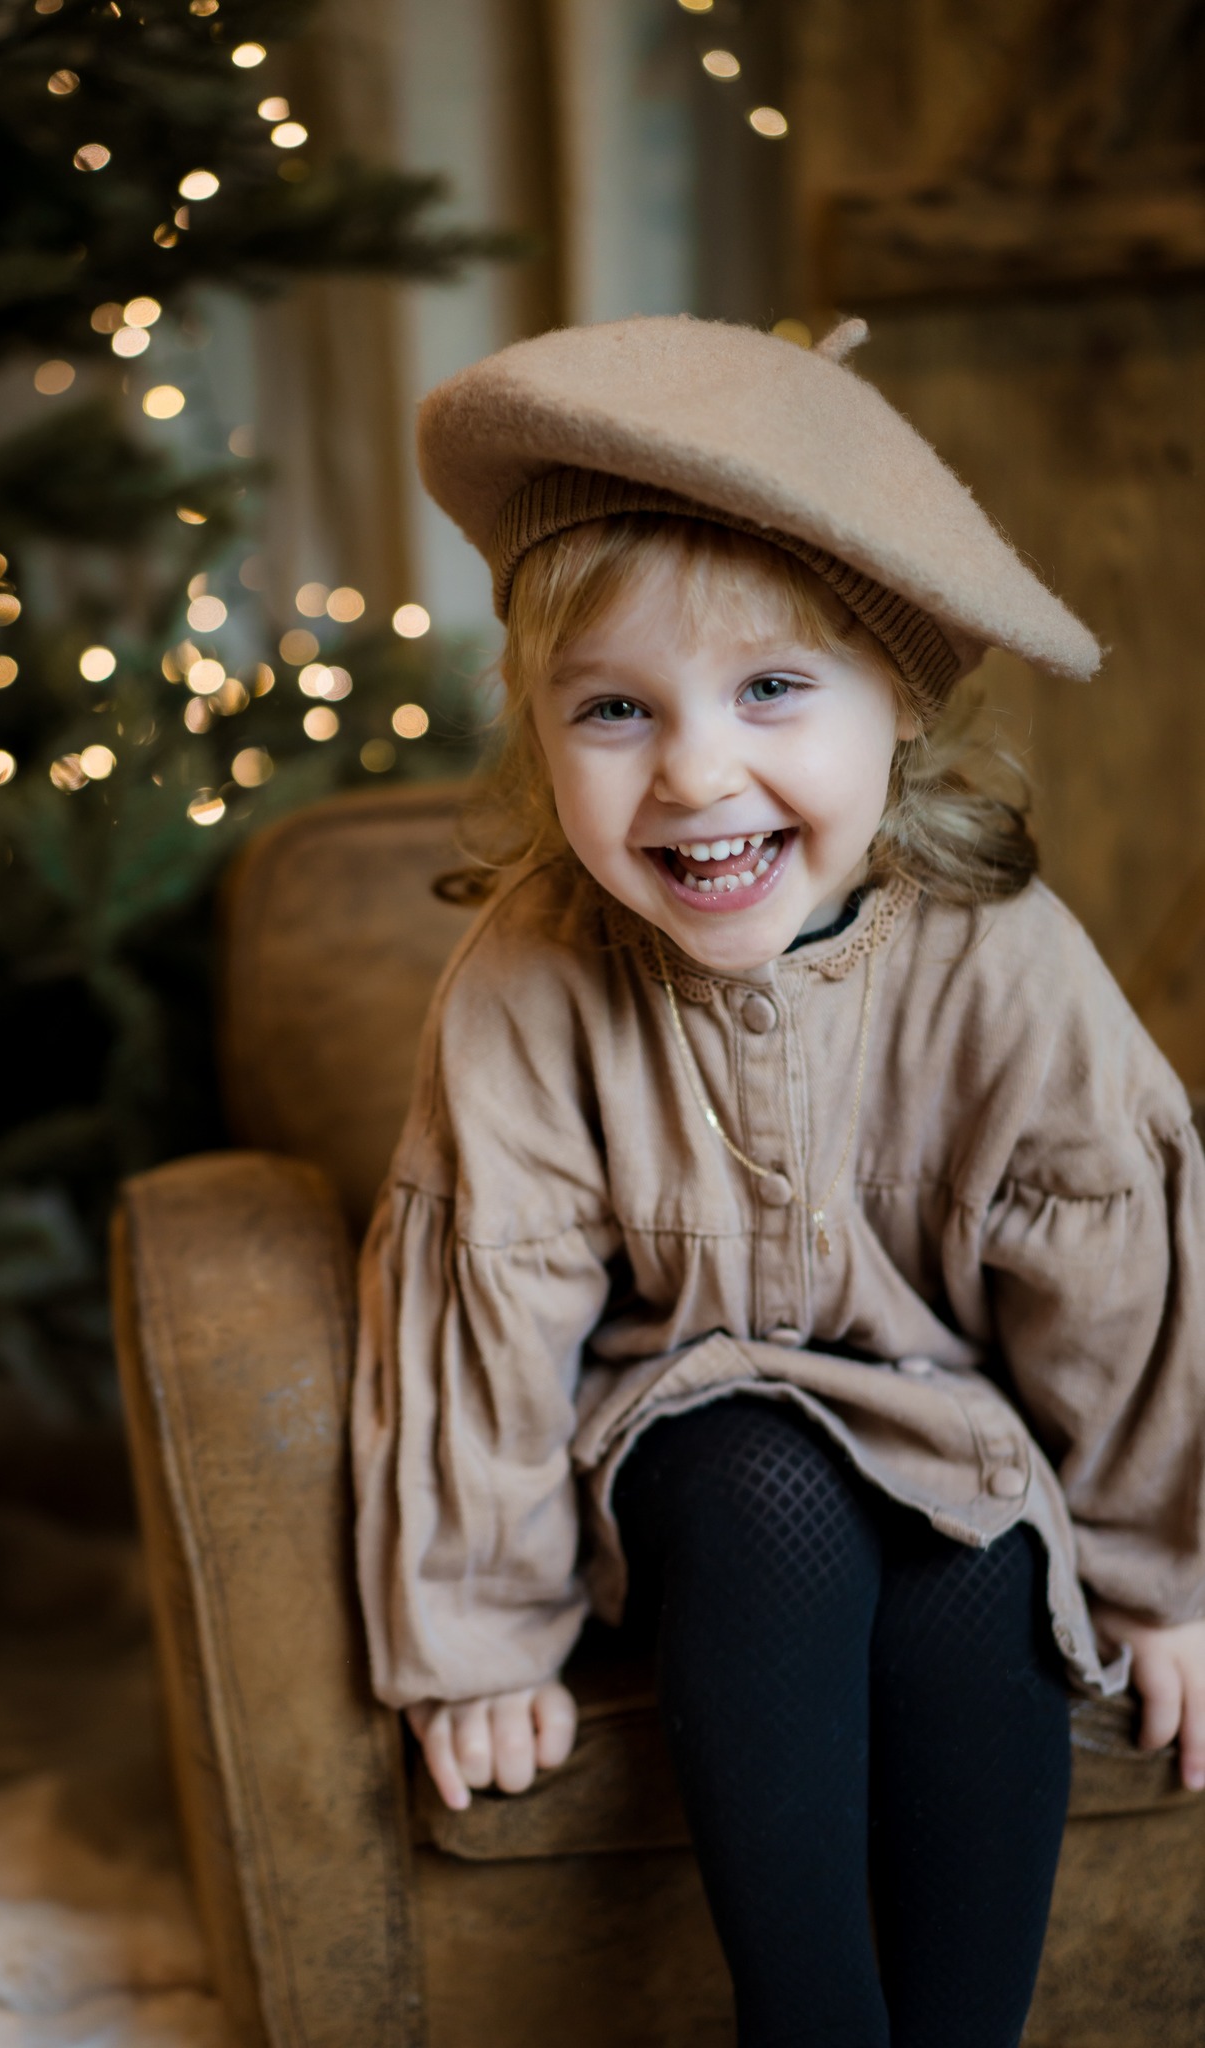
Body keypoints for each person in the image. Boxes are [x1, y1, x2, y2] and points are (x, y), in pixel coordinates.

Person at [351, 314, 1205, 2048]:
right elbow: (487, 1304)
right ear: (536, 729)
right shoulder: (530, 975)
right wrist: (479, 1640)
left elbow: (1111, 1279)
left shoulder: (1002, 960)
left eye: (768, 691)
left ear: (896, 699)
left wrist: (1162, 1575)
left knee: (972, 1548)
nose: (691, 772)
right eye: (612, 709)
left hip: (953, 1416)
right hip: (681, 1441)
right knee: (761, 1478)